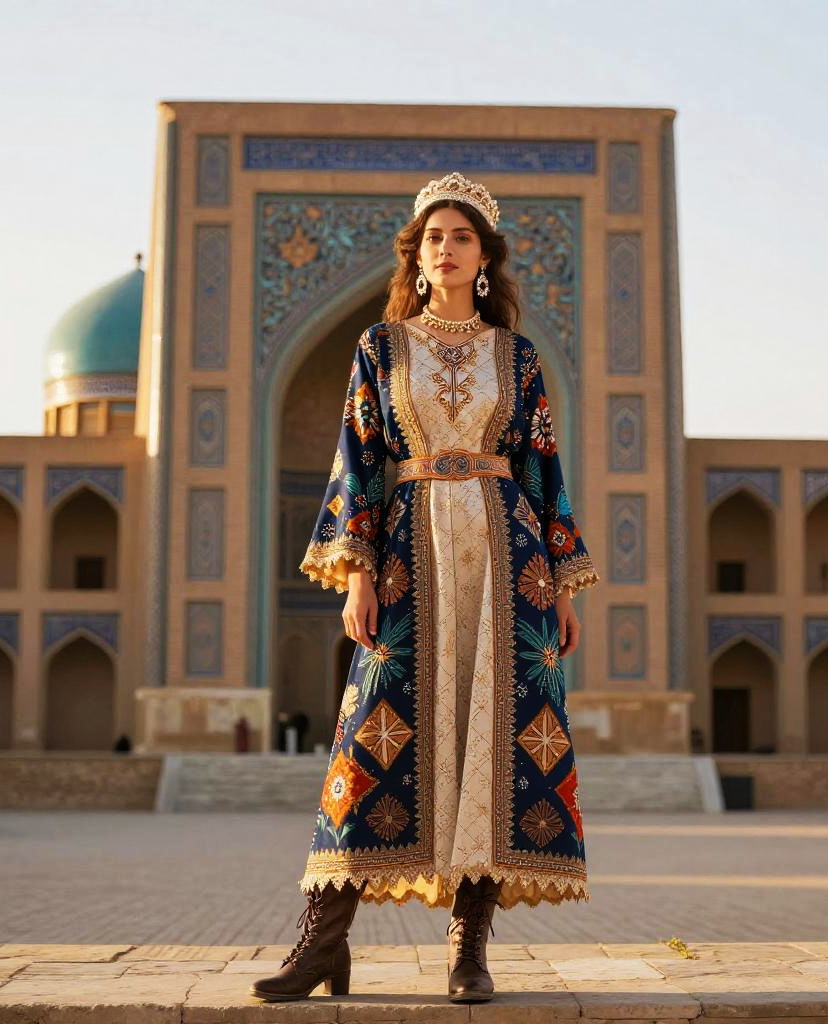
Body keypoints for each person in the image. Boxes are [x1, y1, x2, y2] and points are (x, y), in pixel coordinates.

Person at [250, 171, 600, 1004]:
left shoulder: (517, 357)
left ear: (484, 258)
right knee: (370, 738)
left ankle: (468, 949)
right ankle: (323, 943)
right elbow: (360, 460)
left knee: (496, 749)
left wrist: (562, 586)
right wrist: (357, 574)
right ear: (416, 255)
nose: (446, 249)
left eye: (461, 237)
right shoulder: (381, 348)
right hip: (408, 552)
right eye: (434, 237)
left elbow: (543, 472)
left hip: (507, 562)